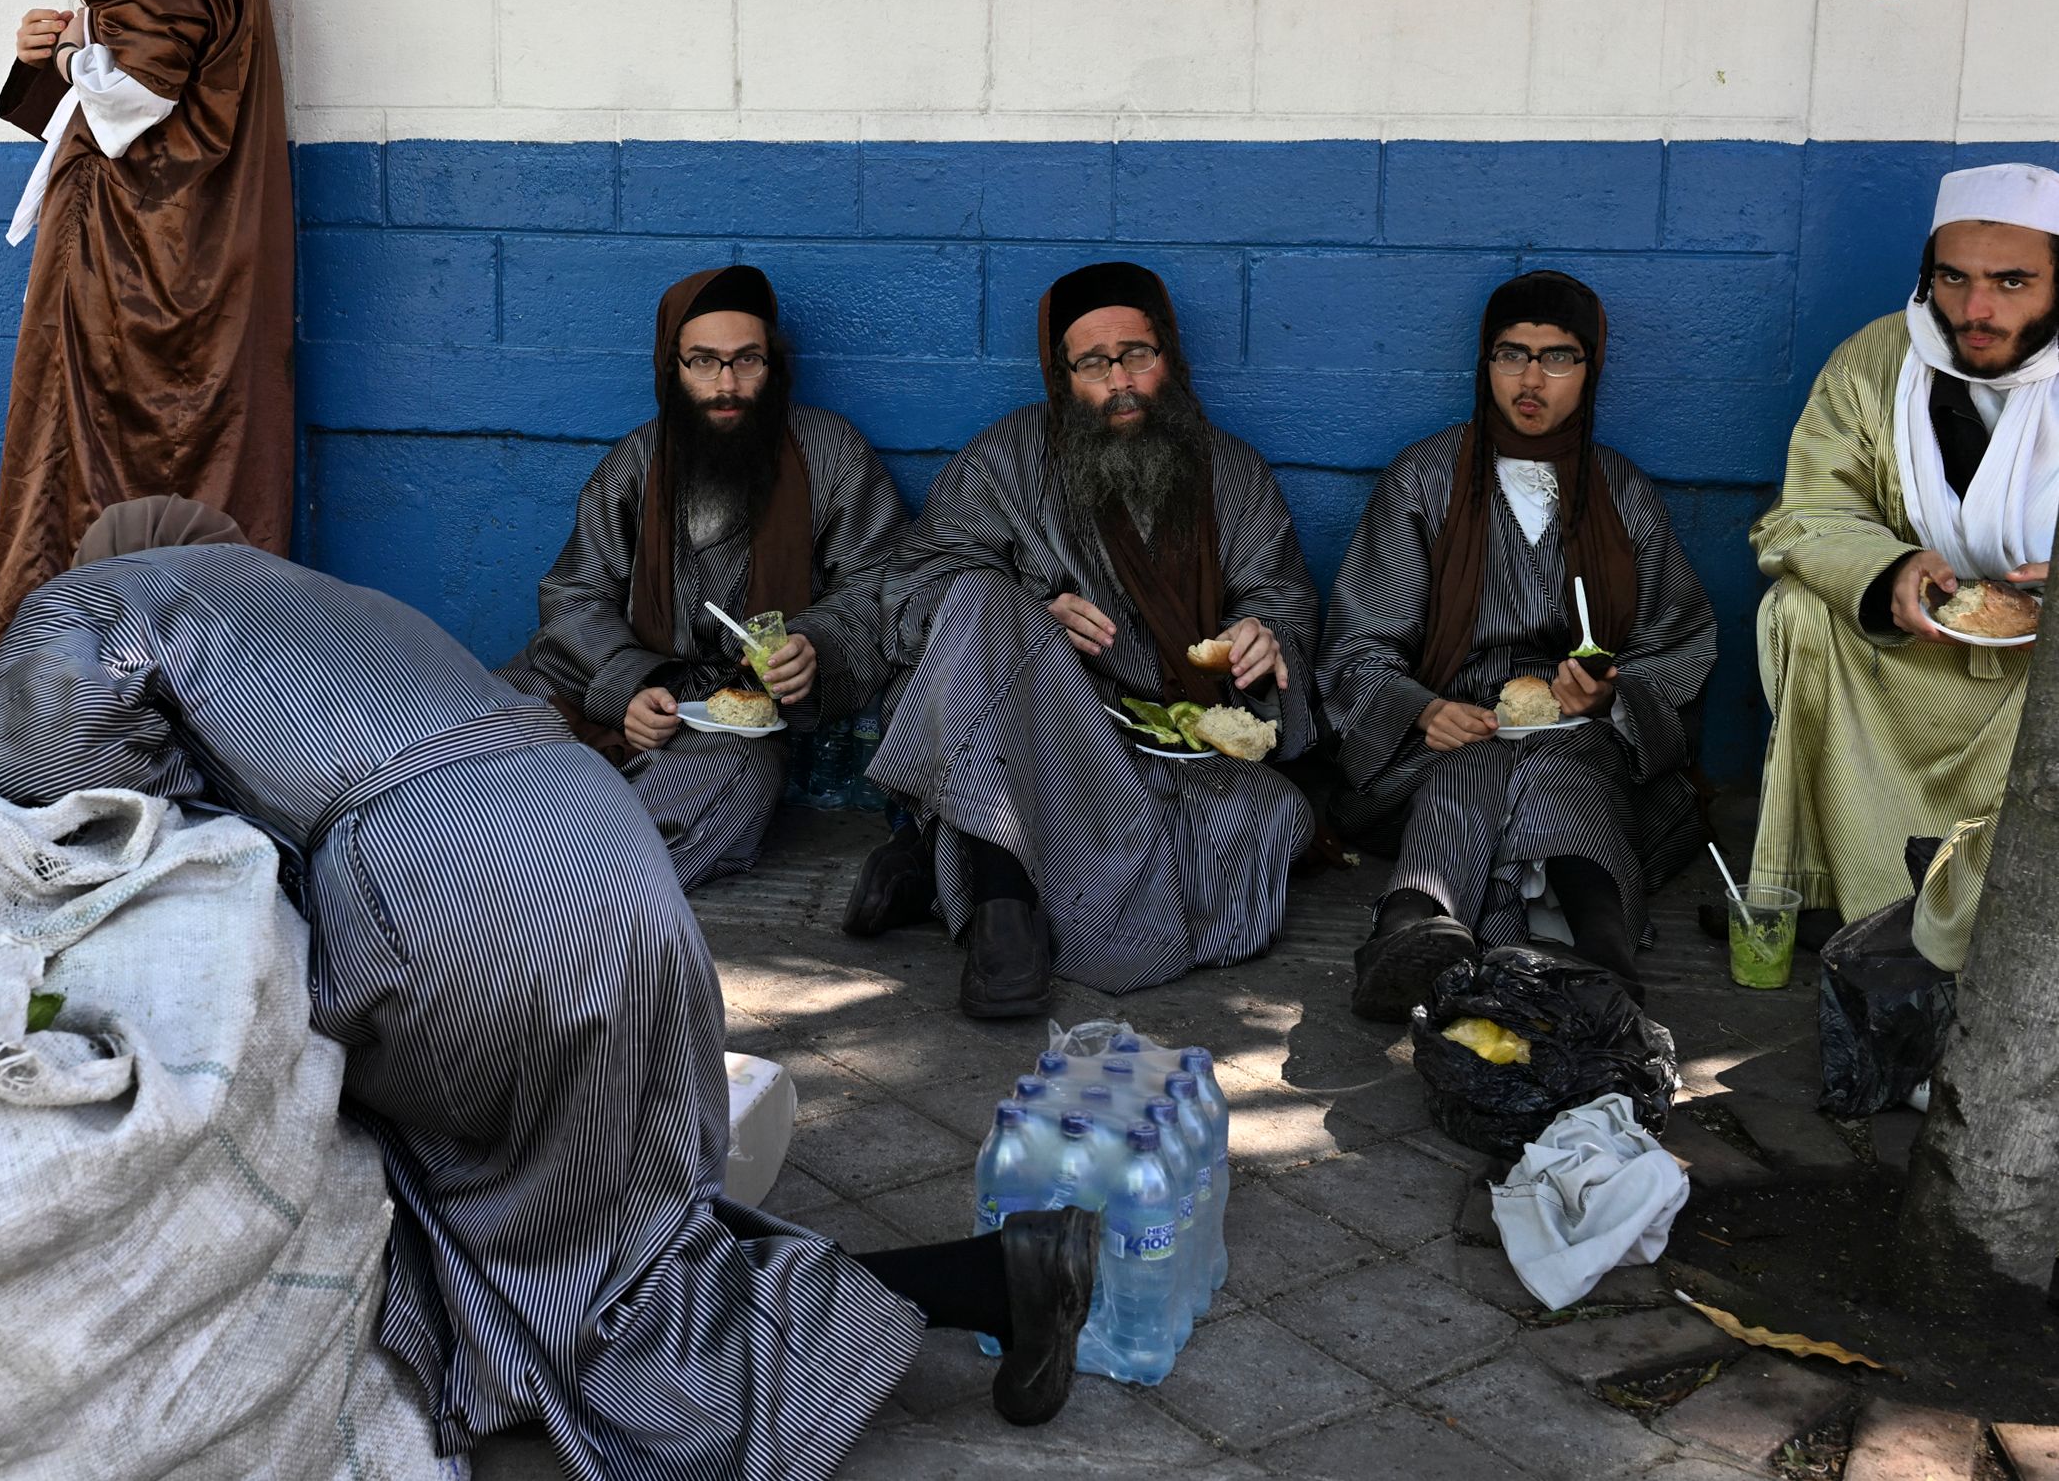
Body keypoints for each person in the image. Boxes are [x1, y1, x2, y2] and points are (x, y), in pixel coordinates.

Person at [0, 531, 1103, 1481]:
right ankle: (985, 1276)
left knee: (575, 1293)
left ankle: (954, 1291)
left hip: (452, 898)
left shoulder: (72, 624)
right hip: (601, 849)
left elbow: (102, 828)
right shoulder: (284, 595)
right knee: (627, 1212)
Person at [848, 261, 1323, 1017]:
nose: (1120, 381)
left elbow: (1281, 598)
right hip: (1036, 728)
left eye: (1137, 353)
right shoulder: (1002, 460)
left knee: (1273, 819)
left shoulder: (1232, 473)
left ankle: (937, 864)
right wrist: (1031, 615)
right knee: (978, 599)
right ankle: (1001, 905)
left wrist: (1264, 639)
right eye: (1093, 363)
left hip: (1167, 742)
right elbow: (911, 593)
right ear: (1061, 375)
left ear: (1169, 356)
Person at [1321, 272, 1717, 1021]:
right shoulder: (1423, 482)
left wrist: (1611, 697)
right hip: (1445, 735)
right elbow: (1360, 641)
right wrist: (1420, 708)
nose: (1531, 379)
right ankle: (1416, 932)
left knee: (1562, 766)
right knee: (1472, 764)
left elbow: (1680, 643)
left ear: (1588, 369)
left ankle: (1597, 952)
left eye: (1557, 357)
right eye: (1511, 354)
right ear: (1484, 364)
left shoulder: (1622, 493)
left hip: (1589, 740)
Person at [0, 0, 294, 642]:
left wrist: (79, 40)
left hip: (148, 271)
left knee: (124, 475)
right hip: (143, 257)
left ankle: (108, 684)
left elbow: (137, 94)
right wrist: (65, 45)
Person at [497, 265, 908, 887]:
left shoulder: (831, 452)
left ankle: (554, 867)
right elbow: (573, 593)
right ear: (673, 369)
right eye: (704, 363)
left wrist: (815, 647)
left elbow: (882, 583)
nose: (728, 385)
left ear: (774, 366)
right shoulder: (637, 460)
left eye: (748, 361)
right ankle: (519, 838)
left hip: (735, 714)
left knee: (731, 780)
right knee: (492, 712)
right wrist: (628, 692)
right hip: (626, 675)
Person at [1750, 161, 2059, 923]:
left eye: (2012, 282)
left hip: (2042, 664)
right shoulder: (1876, 359)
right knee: (1798, 608)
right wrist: (1888, 569)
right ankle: (1840, 890)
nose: (1975, 308)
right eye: (1951, 278)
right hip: (1912, 647)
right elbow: (1807, 511)